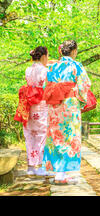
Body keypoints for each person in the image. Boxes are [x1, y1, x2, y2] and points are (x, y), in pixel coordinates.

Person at [42, 40, 91, 185]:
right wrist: (79, 96)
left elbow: (46, 85)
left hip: (54, 107)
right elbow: (85, 84)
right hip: (69, 106)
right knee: (69, 137)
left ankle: (58, 173)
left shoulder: (52, 67)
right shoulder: (76, 66)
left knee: (55, 137)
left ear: (60, 51)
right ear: (74, 51)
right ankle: (61, 174)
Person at [14, 46, 52, 177]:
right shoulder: (46, 71)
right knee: (42, 135)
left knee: (30, 135)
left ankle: (31, 166)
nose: (48, 59)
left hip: (29, 106)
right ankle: (40, 166)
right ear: (43, 57)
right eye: (47, 56)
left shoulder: (28, 69)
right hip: (41, 105)